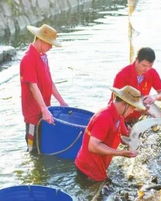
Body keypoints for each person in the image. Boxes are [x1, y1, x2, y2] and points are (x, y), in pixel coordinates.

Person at [75, 85, 146, 182]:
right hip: (88, 170)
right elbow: (93, 146)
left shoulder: (119, 115)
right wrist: (121, 153)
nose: (133, 111)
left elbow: (121, 136)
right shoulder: (104, 117)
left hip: (100, 165)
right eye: (132, 108)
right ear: (125, 104)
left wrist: (133, 139)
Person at [20, 24, 68, 152]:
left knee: (43, 145)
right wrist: (43, 109)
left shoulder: (43, 57)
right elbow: (32, 86)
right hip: (33, 113)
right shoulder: (28, 58)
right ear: (40, 40)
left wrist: (61, 101)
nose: (51, 47)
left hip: (45, 110)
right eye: (49, 43)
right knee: (32, 148)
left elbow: (49, 83)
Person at [112, 47, 161, 123]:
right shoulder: (122, 75)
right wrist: (137, 107)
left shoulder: (152, 72)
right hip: (119, 115)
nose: (147, 69)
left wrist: (154, 97)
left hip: (139, 113)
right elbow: (116, 102)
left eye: (150, 66)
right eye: (144, 65)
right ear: (136, 60)